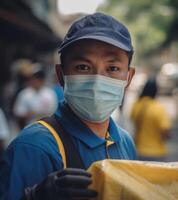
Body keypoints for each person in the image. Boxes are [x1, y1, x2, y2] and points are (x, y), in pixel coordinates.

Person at [0, 12, 137, 200]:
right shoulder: (33, 147)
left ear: (128, 78)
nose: (97, 80)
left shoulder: (125, 141)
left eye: (112, 68)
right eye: (83, 67)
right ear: (61, 75)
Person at [130, 78, 171, 161]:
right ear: (155, 91)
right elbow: (165, 130)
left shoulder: (136, 105)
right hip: (157, 154)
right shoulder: (158, 108)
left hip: (138, 152)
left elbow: (132, 120)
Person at [13, 63, 57, 129]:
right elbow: (18, 112)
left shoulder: (50, 93)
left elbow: (54, 112)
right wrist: (30, 114)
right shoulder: (24, 94)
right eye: (35, 78)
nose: (36, 81)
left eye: (39, 78)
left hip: (47, 128)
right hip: (29, 127)